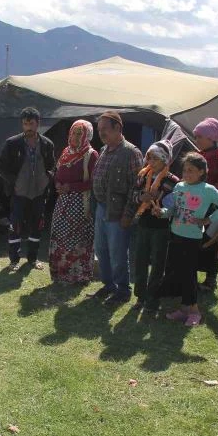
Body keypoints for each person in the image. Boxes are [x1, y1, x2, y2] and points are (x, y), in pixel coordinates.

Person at [156, 153, 218, 326]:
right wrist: (162, 213)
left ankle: (194, 312)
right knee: (179, 272)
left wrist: (207, 220)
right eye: (184, 170)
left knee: (189, 274)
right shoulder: (179, 187)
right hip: (175, 234)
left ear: (201, 172)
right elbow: (173, 210)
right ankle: (183, 309)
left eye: (191, 170)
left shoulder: (207, 190)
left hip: (192, 239)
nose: (186, 173)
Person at [89, 111, 143, 304]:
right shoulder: (104, 149)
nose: (101, 133)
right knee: (101, 250)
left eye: (105, 129)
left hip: (118, 212)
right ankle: (108, 285)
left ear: (118, 128)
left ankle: (122, 290)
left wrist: (128, 215)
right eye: (99, 129)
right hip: (102, 208)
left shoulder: (132, 152)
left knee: (117, 252)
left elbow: (137, 187)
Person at [0, 107, 56, 271]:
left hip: (39, 193)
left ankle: (32, 259)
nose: (28, 127)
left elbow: (52, 166)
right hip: (19, 192)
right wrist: (14, 182)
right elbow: (1, 167)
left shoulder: (46, 144)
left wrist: (48, 178)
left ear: (38, 124)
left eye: (31, 123)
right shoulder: (12, 143)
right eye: (24, 124)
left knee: (37, 226)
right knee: (15, 227)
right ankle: (14, 260)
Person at [124, 140, 179, 314]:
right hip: (143, 224)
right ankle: (140, 295)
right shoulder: (142, 175)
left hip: (161, 227)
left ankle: (153, 298)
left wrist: (161, 209)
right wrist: (142, 197)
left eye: (155, 158)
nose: (151, 162)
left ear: (165, 160)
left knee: (157, 263)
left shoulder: (172, 181)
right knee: (140, 259)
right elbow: (132, 195)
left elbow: (174, 206)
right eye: (149, 157)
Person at [48, 119, 99, 284]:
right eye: (73, 132)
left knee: (77, 239)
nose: (75, 136)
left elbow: (93, 182)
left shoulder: (91, 155)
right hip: (62, 202)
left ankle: (78, 276)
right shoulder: (65, 152)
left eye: (79, 133)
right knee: (60, 237)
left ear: (87, 135)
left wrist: (70, 187)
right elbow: (57, 173)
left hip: (79, 203)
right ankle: (60, 274)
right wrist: (57, 184)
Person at [193, 117, 218, 291]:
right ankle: (190, 276)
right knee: (193, 242)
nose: (196, 140)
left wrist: (204, 196)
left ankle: (211, 280)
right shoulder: (197, 156)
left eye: (199, 136)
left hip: (214, 208)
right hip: (195, 205)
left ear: (211, 138)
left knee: (212, 242)